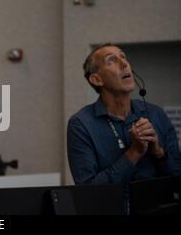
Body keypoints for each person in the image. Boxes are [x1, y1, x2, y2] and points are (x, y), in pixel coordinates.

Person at [67, 43, 181, 186]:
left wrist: (158, 153)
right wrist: (134, 153)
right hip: (112, 208)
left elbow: (177, 179)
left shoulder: (156, 114)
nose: (124, 63)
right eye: (112, 60)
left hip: (159, 207)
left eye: (123, 57)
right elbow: (87, 191)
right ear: (97, 79)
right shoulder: (81, 124)